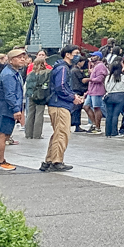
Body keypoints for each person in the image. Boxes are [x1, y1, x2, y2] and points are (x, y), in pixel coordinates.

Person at [0, 45, 31, 170]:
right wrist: (16, 109)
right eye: (19, 57)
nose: (22, 59)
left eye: (23, 57)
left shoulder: (12, 72)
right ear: (11, 59)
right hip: (5, 108)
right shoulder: (9, 74)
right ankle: (0, 161)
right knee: (2, 135)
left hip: (0, 107)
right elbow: (10, 94)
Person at [41, 45, 80, 173]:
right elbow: (61, 87)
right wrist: (72, 97)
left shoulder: (59, 67)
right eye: (75, 53)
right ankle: (57, 161)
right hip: (60, 104)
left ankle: (49, 160)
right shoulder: (63, 68)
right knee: (62, 133)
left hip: (57, 104)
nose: (77, 56)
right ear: (67, 54)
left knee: (58, 132)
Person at [23, 50, 52, 142]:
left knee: (30, 114)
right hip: (41, 95)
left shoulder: (30, 74)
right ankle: (37, 134)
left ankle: (28, 133)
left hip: (31, 95)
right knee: (39, 114)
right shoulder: (47, 72)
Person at [102, 60, 124, 136]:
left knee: (109, 115)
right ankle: (114, 132)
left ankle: (107, 132)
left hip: (109, 96)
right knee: (116, 115)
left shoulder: (108, 77)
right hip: (120, 96)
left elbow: (106, 87)